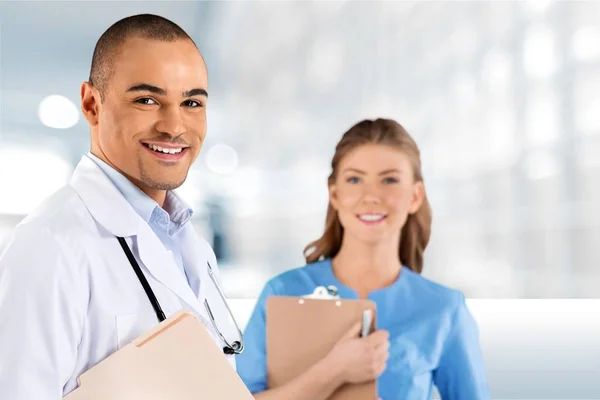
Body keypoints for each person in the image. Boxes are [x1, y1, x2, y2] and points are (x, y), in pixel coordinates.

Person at [0, 14, 242, 399]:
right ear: (92, 104)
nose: (175, 126)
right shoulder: (48, 246)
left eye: (192, 102)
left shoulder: (191, 246)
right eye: (147, 100)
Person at [236, 118, 490, 400]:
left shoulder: (444, 309)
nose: (371, 196)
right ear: (334, 193)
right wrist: (334, 371)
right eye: (354, 179)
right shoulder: (281, 294)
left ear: (415, 196)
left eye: (390, 180)